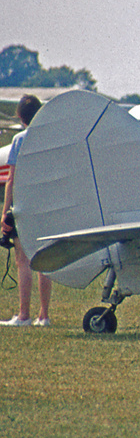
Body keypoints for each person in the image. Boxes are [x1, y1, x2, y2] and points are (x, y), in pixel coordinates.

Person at [1, 95, 52, 328]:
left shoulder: (20, 139)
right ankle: (44, 315)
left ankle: (24, 315)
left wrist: (5, 212)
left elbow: (12, 178)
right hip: (48, 204)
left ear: (21, 117)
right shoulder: (49, 138)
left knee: (23, 260)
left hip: (26, 203)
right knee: (45, 260)